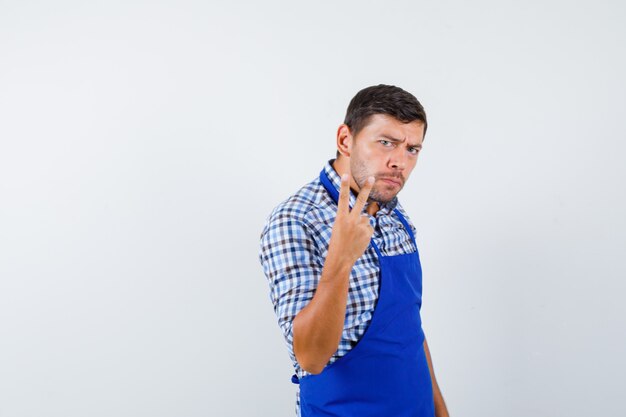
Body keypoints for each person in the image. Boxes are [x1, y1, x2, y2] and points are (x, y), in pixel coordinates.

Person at [258, 84, 449, 417]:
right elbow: (310, 357)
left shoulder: (392, 211)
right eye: (386, 143)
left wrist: (440, 410)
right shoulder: (297, 219)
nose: (399, 162)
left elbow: (409, 327)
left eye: (412, 149)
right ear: (345, 140)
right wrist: (340, 260)